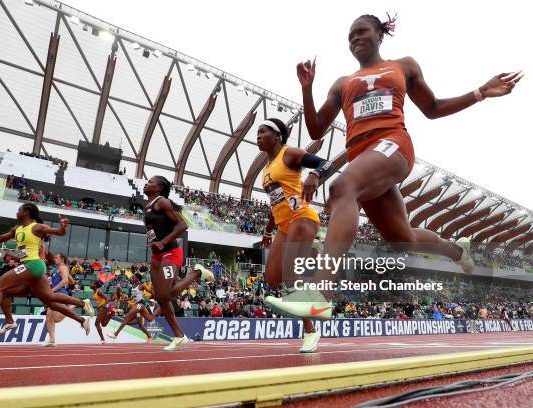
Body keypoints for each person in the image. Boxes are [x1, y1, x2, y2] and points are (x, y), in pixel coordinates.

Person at [268, 14, 521, 319]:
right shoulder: (342, 84)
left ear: (380, 34)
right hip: (363, 157)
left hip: (393, 144)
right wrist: (307, 90)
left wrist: (479, 93)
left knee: (341, 187)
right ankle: (458, 251)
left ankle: (319, 292)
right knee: (403, 241)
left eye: (361, 32)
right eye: (350, 37)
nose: (355, 39)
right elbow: (316, 129)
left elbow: (433, 108)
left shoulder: (403, 66)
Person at [254, 118, 332, 352]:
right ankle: (315, 301)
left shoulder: (290, 154)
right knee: (272, 278)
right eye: (257, 132)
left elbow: (326, 163)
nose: (258, 135)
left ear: (277, 136)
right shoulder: (267, 169)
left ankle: (310, 328)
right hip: (284, 225)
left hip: (303, 218)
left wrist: (315, 175)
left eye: (263, 131)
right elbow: (275, 202)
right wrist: (268, 230)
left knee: (290, 276)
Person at [0, 203, 94, 334]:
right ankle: (82, 304)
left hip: (33, 265)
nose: (17, 212)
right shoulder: (16, 229)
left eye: (19, 210)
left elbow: (59, 232)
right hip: (29, 268)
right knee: (48, 298)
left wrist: (63, 227)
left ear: (26, 212)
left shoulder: (37, 227)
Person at [143, 176, 214, 351]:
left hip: (170, 253)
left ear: (159, 188)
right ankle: (179, 336)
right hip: (156, 257)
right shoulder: (149, 205)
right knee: (160, 298)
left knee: (165, 295)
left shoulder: (162, 202)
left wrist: (163, 242)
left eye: (150, 182)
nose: (146, 183)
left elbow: (182, 225)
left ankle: (197, 273)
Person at [107, 272, 160, 341]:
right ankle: (150, 336)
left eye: (133, 277)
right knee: (144, 322)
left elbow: (151, 292)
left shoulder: (142, 285)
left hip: (140, 304)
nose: (132, 278)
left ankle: (115, 334)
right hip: (138, 306)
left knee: (126, 318)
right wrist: (124, 300)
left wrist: (154, 291)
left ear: (137, 279)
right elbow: (132, 297)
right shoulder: (132, 287)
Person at [41, 253, 77, 346]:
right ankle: (52, 340)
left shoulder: (63, 268)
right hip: (54, 294)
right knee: (48, 317)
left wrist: (52, 289)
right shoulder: (60, 268)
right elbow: (72, 282)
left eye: (57, 257)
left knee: (56, 319)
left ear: (62, 259)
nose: (55, 259)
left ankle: (74, 305)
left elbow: (65, 281)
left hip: (60, 293)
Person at [89, 280, 115, 344]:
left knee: (96, 324)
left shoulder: (98, 291)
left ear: (95, 285)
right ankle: (110, 315)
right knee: (103, 324)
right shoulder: (95, 292)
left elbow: (107, 299)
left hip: (104, 307)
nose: (90, 284)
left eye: (92, 283)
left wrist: (103, 306)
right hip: (103, 307)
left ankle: (102, 339)